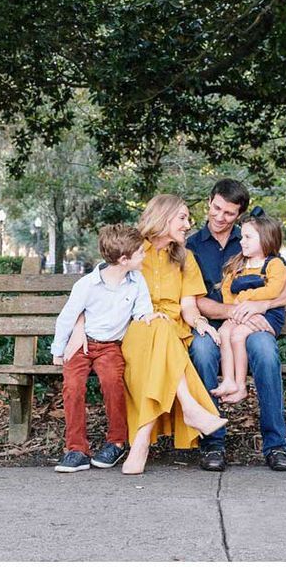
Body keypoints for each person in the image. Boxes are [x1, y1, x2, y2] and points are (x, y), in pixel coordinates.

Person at [186, 178, 286, 473]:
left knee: (265, 350)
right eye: (216, 208)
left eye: (228, 213)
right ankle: (213, 443)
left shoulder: (252, 238)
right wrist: (235, 312)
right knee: (201, 351)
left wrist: (264, 305)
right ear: (209, 201)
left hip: (253, 322)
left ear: (239, 215)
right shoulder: (191, 246)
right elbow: (196, 300)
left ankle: (276, 445)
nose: (220, 217)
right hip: (211, 324)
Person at [119, 194, 228, 474]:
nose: (187, 224)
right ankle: (190, 407)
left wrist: (200, 322)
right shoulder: (133, 250)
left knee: (165, 325)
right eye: (182, 218)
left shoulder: (185, 257)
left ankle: (141, 442)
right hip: (137, 330)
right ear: (163, 217)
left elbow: (188, 307)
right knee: (158, 325)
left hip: (173, 332)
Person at [50, 223, 159, 472]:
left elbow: (142, 310)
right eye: (141, 252)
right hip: (82, 344)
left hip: (111, 347)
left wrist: (149, 318)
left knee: (113, 382)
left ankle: (117, 442)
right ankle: (76, 449)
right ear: (124, 259)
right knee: (73, 386)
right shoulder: (87, 285)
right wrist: (58, 351)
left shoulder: (136, 281)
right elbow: (67, 317)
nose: (145, 255)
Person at [211, 208, 286, 403]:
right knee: (225, 332)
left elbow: (274, 290)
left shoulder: (274, 264)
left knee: (237, 335)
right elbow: (227, 287)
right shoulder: (238, 263)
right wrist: (233, 303)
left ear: (265, 239)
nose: (242, 241)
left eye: (248, 237)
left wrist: (247, 298)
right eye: (242, 236)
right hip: (240, 312)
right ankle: (229, 380)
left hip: (267, 315)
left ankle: (241, 385)